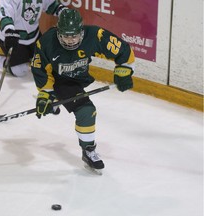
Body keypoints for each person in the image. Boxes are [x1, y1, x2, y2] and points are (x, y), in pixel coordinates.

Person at [31, 9, 135, 171]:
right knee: (86, 111)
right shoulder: (46, 43)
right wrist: (45, 94)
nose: (71, 41)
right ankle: (88, 150)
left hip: (80, 78)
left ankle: (57, 103)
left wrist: (124, 69)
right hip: (61, 82)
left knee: (77, 104)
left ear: (81, 31)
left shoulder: (95, 35)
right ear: (59, 33)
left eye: (74, 36)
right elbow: (40, 70)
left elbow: (122, 50)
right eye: (66, 36)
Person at [0, 0, 67, 77]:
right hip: (13, 38)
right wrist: (9, 31)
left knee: (47, 64)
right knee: (19, 70)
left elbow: (50, 5)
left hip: (33, 37)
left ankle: (28, 56)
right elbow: (5, 15)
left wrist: (63, 11)